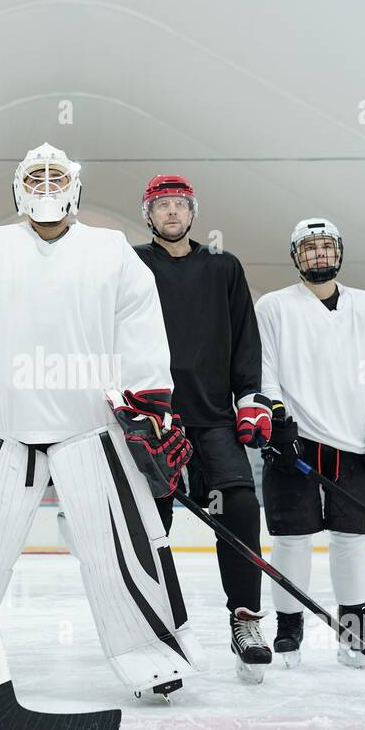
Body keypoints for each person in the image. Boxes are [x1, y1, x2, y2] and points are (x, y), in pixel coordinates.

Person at [0, 143, 205, 701]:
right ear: (17, 188)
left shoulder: (112, 250)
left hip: (92, 425)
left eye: (56, 177)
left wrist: (150, 409)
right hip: (1, 424)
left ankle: (154, 654)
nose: (46, 187)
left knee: (124, 545)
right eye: (35, 177)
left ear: (75, 187)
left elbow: (142, 330)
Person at [131, 175, 273, 684]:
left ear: (193, 213)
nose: (172, 213)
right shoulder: (132, 264)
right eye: (162, 205)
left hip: (213, 417)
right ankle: (153, 627)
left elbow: (245, 340)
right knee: (148, 522)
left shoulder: (224, 268)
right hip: (151, 417)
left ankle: (245, 620)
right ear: (148, 215)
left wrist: (250, 400)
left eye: (180, 205)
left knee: (237, 505)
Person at [255, 218, 365, 669]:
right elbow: (265, 370)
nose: (318, 254)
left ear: (339, 252)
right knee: (291, 542)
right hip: (295, 442)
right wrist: (276, 419)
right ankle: (288, 631)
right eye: (308, 248)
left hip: (355, 444)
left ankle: (353, 634)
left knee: (351, 542)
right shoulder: (273, 307)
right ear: (295, 257)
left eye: (325, 247)